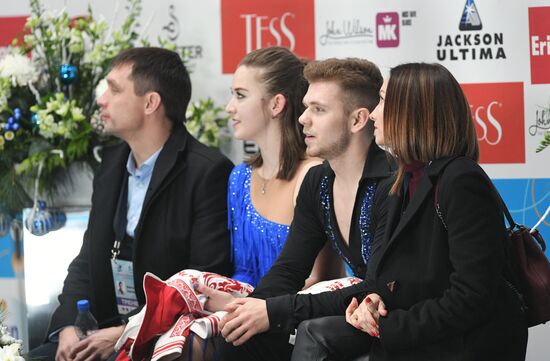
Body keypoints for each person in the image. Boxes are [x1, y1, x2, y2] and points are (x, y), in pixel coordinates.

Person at [283, 63, 528, 360]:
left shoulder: (460, 180)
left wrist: (388, 326)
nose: (373, 113)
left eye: (384, 100)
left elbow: (472, 296)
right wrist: (372, 301)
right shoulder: (404, 178)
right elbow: (400, 279)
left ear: (413, 111)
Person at [28, 47, 233, 361]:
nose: (101, 99)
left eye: (114, 89)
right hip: (100, 331)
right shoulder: (111, 165)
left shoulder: (206, 171)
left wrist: (126, 331)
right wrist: (68, 324)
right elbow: (87, 259)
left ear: (150, 102)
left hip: (161, 338)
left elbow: (201, 279)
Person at [199, 57, 394, 361]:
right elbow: (289, 268)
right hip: (350, 310)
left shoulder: (393, 183)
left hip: (395, 317)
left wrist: (273, 310)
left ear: (357, 120)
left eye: (318, 110)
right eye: (305, 107)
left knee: (307, 332)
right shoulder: (318, 181)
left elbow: (379, 286)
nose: (303, 119)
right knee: (238, 335)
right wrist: (254, 308)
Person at [225, 46, 339, 289]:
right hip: (245, 314)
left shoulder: (312, 175)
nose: (229, 107)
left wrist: (249, 306)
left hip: (294, 317)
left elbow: (318, 280)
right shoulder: (239, 178)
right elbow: (242, 270)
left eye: (241, 95)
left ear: (276, 104)